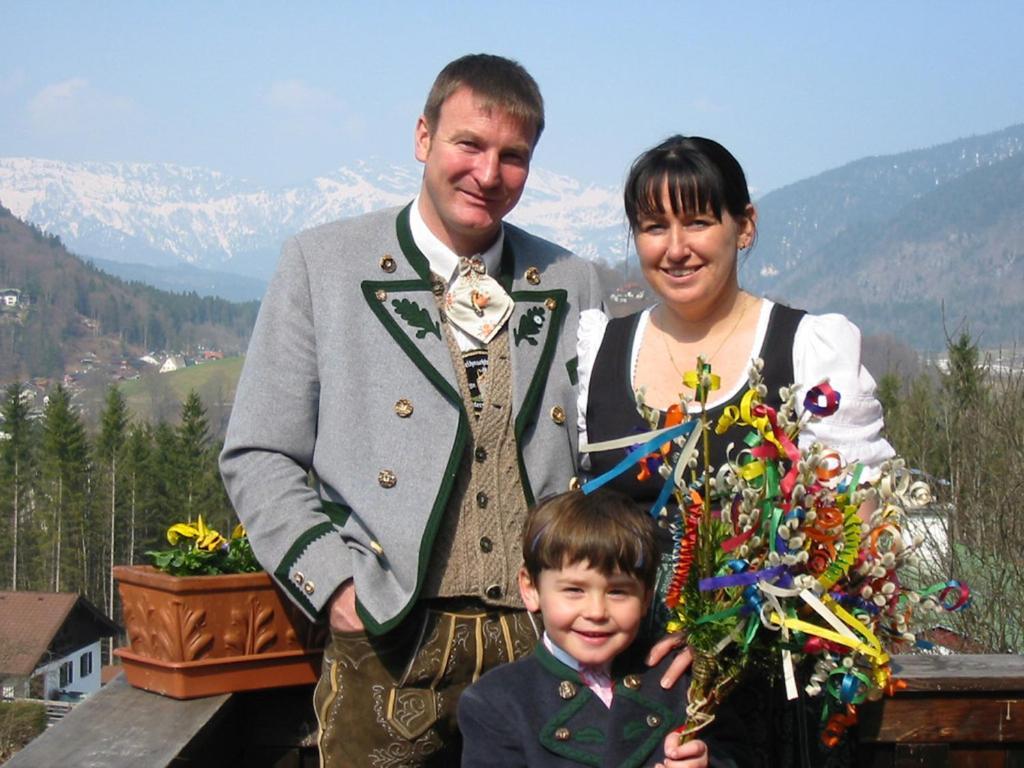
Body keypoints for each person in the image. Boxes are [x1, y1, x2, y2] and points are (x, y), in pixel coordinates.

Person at [221, 52, 624, 767]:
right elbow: (258, 451)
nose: (488, 173)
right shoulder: (325, 264)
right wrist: (336, 586)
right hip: (388, 636)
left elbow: (614, 463)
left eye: (513, 157)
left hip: (548, 643)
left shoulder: (576, 282)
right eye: (469, 144)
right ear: (422, 137)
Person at [577, 135, 895, 766]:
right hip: (622, 689)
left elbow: (859, 527)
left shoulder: (808, 349)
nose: (675, 248)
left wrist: (732, 630)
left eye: (698, 221)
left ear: (743, 226)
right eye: (653, 226)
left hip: (766, 704)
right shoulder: (599, 348)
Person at [458, 488, 745, 768]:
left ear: (646, 597)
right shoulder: (497, 701)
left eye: (618, 592)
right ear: (531, 588)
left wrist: (706, 762)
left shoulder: (681, 681)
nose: (597, 612)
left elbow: (735, 752)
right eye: (574, 590)